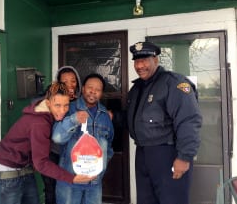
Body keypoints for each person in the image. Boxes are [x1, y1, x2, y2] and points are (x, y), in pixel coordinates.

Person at [127, 41, 202, 204]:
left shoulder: (173, 83)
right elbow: (131, 118)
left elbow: (188, 120)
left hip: (168, 154)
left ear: (156, 60)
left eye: (144, 60)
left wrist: (184, 156)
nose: (139, 65)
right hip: (142, 153)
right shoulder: (136, 89)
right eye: (136, 61)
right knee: (146, 200)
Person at [0, 81, 94, 204]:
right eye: (57, 105)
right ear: (48, 103)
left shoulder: (48, 115)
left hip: (25, 168)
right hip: (9, 173)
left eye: (66, 105)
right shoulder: (40, 123)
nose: (63, 110)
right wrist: (72, 178)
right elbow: (41, 163)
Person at [52, 73, 114, 204]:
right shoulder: (69, 108)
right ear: (83, 88)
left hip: (94, 184)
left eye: (98, 90)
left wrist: (100, 170)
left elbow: (108, 148)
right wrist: (74, 119)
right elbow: (57, 137)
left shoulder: (105, 116)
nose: (93, 92)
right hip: (70, 181)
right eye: (90, 87)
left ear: (101, 93)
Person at [41, 66, 82, 204]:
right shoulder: (49, 101)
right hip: (51, 153)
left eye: (73, 81)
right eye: (64, 82)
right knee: (51, 190)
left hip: (71, 155)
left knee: (69, 190)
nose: (70, 85)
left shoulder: (80, 103)